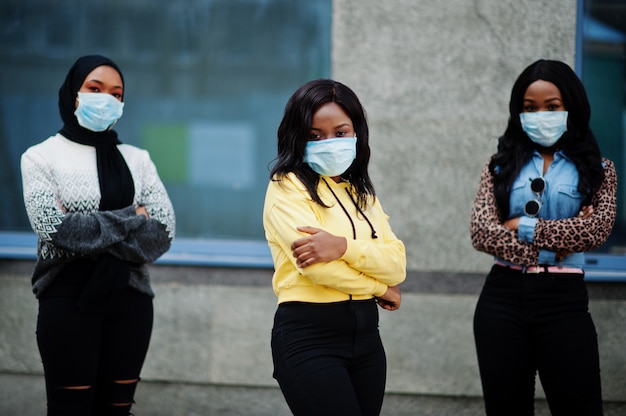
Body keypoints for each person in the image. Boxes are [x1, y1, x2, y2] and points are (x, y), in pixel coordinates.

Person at [20, 55, 176, 416]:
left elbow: (163, 232)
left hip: (131, 300)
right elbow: (54, 228)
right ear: (74, 94)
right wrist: (133, 215)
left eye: (116, 93)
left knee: (117, 410)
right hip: (66, 297)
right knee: (70, 409)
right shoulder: (41, 157)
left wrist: (87, 227)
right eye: (95, 88)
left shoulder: (137, 159)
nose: (106, 98)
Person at [470, 59, 617, 415]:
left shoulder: (599, 170)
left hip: (563, 302)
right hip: (501, 298)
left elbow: (595, 231)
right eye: (529, 108)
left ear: (572, 107)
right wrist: (563, 238)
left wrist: (521, 225)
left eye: (552, 107)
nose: (541, 115)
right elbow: (481, 233)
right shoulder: (499, 166)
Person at [263, 79, 407, 416]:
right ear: (297, 137)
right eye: (315, 136)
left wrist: (341, 246)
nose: (329, 142)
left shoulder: (362, 193)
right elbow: (316, 267)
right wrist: (379, 287)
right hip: (308, 334)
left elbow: (396, 263)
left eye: (340, 132)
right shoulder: (287, 187)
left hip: (367, 336)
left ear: (357, 133)